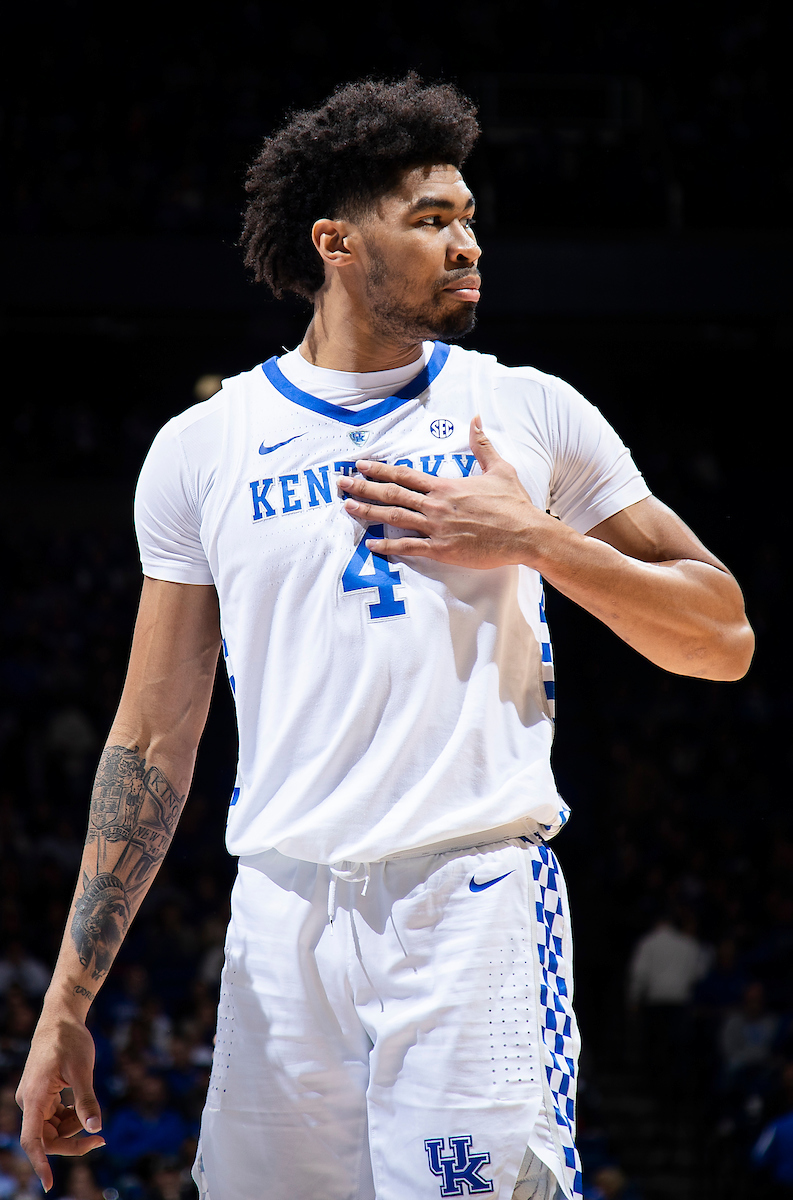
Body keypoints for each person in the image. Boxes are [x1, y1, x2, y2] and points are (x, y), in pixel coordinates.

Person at [16, 75, 754, 1200]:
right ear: (336, 243)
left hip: (469, 909)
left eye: (468, 217)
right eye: (431, 220)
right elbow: (153, 738)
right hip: (277, 919)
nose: (467, 243)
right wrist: (66, 1005)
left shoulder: (530, 409)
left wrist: (538, 540)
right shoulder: (203, 447)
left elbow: (724, 634)